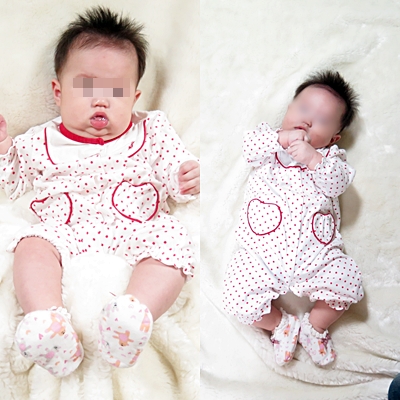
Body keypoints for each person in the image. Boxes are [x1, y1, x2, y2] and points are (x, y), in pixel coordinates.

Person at [0, 6, 199, 377]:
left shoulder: (151, 130)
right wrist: (2, 148)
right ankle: (47, 324)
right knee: (31, 245)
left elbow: (176, 169)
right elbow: (11, 182)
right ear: (58, 92)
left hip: (137, 225)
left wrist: (184, 177)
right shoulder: (40, 140)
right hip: (65, 229)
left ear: (135, 97)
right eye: (87, 87)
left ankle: (132, 317)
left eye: (116, 91)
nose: (101, 100)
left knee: (174, 240)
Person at [223, 70, 363, 367]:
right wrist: (281, 138)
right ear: (288, 110)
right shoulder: (269, 145)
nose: (309, 120)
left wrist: (313, 158)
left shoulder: (330, 159)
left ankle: (315, 327)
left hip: (317, 255)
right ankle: (281, 325)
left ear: (333, 138)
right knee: (236, 296)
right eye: (303, 109)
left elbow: (338, 184)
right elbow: (248, 147)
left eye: (322, 120)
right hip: (262, 252)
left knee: (346, 282)